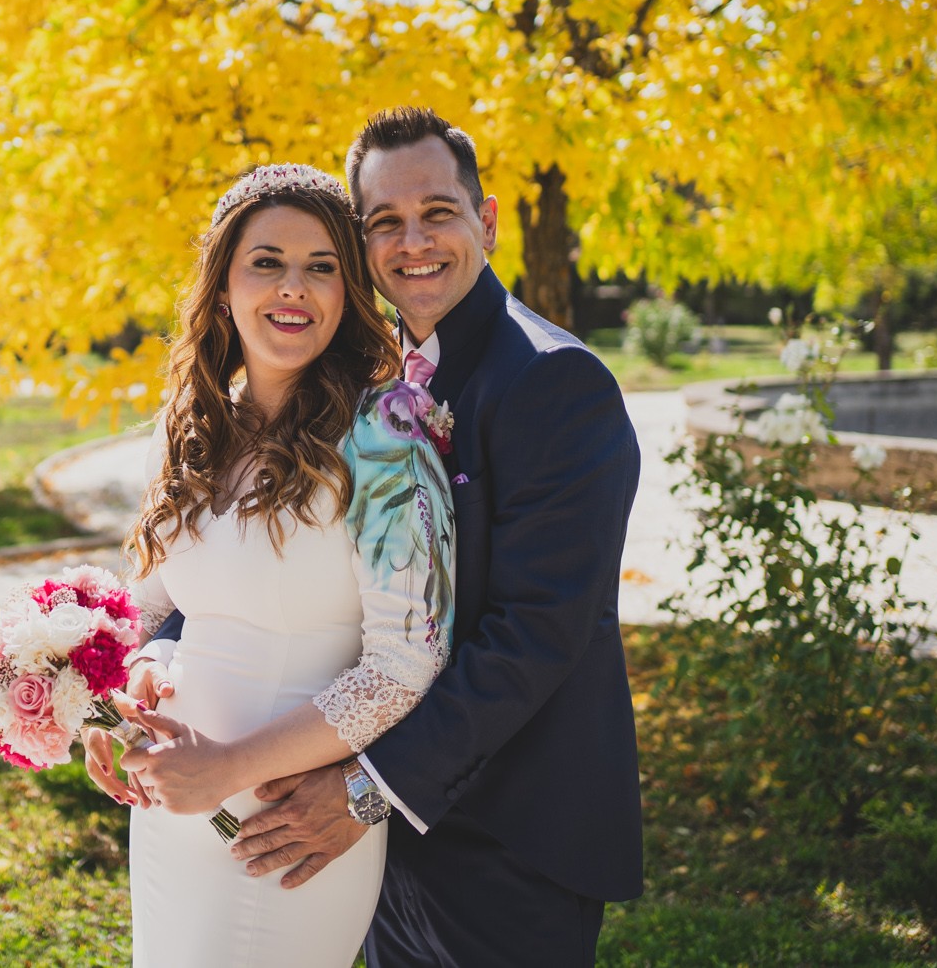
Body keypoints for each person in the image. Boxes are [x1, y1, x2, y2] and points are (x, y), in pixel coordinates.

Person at [124, 109, 644, 964]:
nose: (414, 241)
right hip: (341, 816)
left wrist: (366, 791)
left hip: (506, 832)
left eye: (438, 211)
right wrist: (158, 662)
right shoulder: (358, 385)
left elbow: (536, 633)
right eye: (384, 223)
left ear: (488, 218)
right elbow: (244, 573)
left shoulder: (553, 382)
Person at [84, 162, 456, 967]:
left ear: (347, 291)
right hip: (169, 810)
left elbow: (406, 659)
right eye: (267, 262)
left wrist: (227, 767)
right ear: (222, 286)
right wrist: (127, 684)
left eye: (321, 266)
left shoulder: (387, 436)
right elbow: (147, 606)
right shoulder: (188, 425)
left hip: (289, 820)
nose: (295, 287)